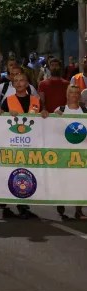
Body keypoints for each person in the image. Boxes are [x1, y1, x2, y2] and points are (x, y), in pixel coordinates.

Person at [0, 72, 45, 220]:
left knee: (24, 174)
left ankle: (22, 203)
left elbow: (43, 117)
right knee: (11, 172)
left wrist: (45, 113)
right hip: (12, 144)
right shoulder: (8, 101)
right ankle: (7, 197)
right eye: (15, 81)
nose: (18, 83)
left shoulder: (36, 101)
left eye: (21, 80)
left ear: (27, 83)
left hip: (30, 144)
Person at [55, 85, 87, 220]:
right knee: (64, 180)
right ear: (67, 95)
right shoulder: (60, 110)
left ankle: (78, 210)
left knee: (80, 181)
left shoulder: (85, 111)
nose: (74, 95)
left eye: (76, 93)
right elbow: (52, 129)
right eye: (71, 92)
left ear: (79, 96)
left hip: (81, 152)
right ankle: (60, 201)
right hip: (63, 151)